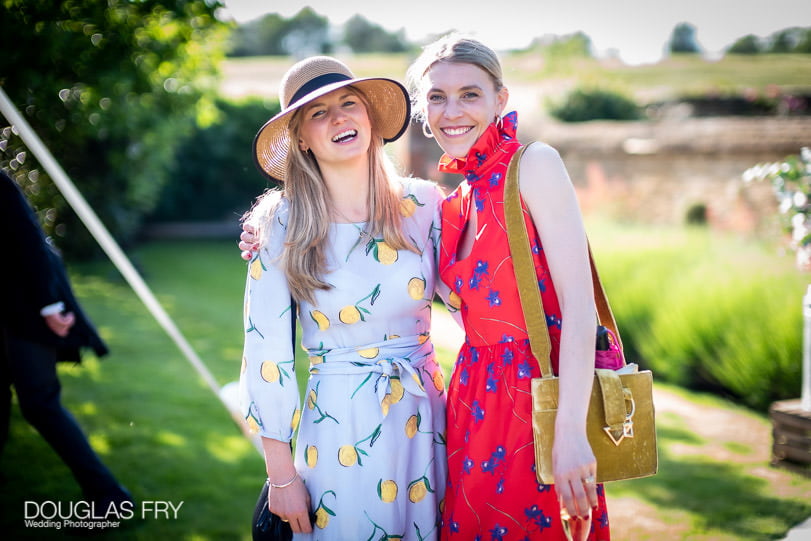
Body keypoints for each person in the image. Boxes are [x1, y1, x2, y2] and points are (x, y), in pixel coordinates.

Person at [404, 34, 610, 540]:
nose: (452, 111)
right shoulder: (457, 201)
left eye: (470, 94)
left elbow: (580, 311)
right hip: (472, 404)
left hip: (539, 404)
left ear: (501, 100)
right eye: (436, 97)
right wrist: (271, 225)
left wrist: (570, 434)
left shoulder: (534, 164)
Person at [239, 56, 449, 540]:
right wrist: (282, 475)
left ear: (370, 119)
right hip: (338, 427)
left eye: (348, 103)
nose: (338, 118)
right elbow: (266, 354)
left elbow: (475, 302)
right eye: (318, 112)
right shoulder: (281, 225)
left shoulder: (426, 207)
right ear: (302, 139)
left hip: (426, 419)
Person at [0, 170, 133, 511]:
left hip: (28, 307)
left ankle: (110, 497)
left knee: (40, 403)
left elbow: (30, 241)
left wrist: (49, 305)